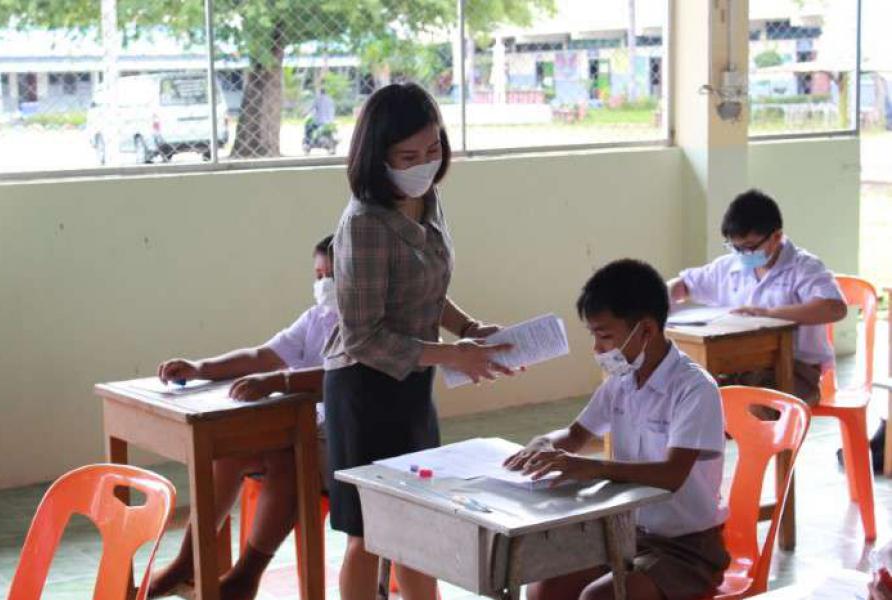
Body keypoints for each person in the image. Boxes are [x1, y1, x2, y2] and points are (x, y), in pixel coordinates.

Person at [324, 82, 516, 600]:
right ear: (378, 155)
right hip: (363, 390)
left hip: (412, 381)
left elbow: (426, 290)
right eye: (408, 157)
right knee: (369, 532)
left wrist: (468, 329)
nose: (424, 165)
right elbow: (364, 337)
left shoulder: (427, 198)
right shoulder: (365, 223)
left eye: (433, 150)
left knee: (417, 524)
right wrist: (453, 354)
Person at [506, 259, 730, 600]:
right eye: (594, 336)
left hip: (685, 548)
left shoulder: (694, 389)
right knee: (543, 588)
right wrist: (544, 443)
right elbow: (576, 436)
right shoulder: (622, 381)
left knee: (598, 598)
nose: (597, 349)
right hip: (625, 534)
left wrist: (592, 468)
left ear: (646, 331)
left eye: (605, 336)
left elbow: (672, 475)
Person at [148, 235, 336, 600]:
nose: (324, 284)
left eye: (333, 275)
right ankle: (188, 562)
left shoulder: (364, 326)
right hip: (305, 430)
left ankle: (246, 575)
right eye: (318, 276)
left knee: (287, 457)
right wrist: (200, 367)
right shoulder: (316, 319)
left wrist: (278, 381)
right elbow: (260, 357)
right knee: (230, 451)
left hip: (342, 443)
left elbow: (340, 377)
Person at [667, 189, 847, 406]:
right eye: (735, 247)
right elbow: (683, 286)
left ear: (776, 237)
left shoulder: (804, 267)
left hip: (795, 368)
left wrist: (769, 314)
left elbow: (834, 308)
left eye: (750, 247)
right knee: (684, 398)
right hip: (736, 367)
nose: (743, 254)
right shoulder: (728, 266)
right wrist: (660, 299)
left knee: (753, 408)